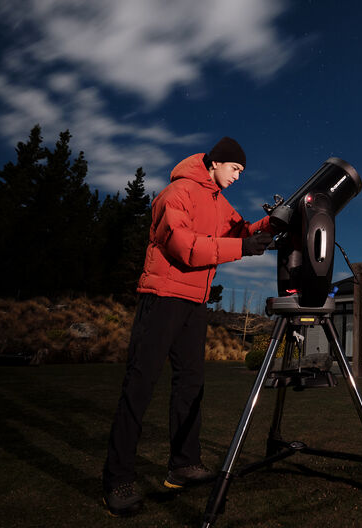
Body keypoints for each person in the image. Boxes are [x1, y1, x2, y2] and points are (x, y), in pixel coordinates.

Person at [102, 137, 274, 516]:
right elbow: (186, 248)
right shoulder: (175, 193)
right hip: (162, 296)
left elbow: (240, 232)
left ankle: (183, 465)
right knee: (140, 385)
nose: (238, 177)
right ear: (215, 164)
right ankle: (117, 480)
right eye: (235, 169)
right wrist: (244, 248)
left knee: (191, 384)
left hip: (194, 303)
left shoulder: (217, 200)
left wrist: (274, 222)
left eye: (242, 172)